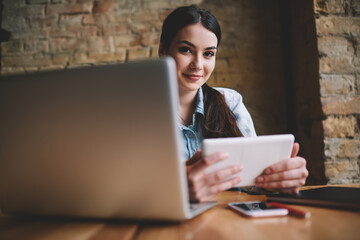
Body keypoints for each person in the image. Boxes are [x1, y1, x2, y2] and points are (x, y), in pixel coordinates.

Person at [158, 5, 308, 202]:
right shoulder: (135, 113)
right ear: (163, 51)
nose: (198, 64)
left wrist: (279, 181)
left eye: (208, 54)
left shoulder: (230, 102)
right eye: (186, 50)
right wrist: (172, 187)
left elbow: (254, 182)